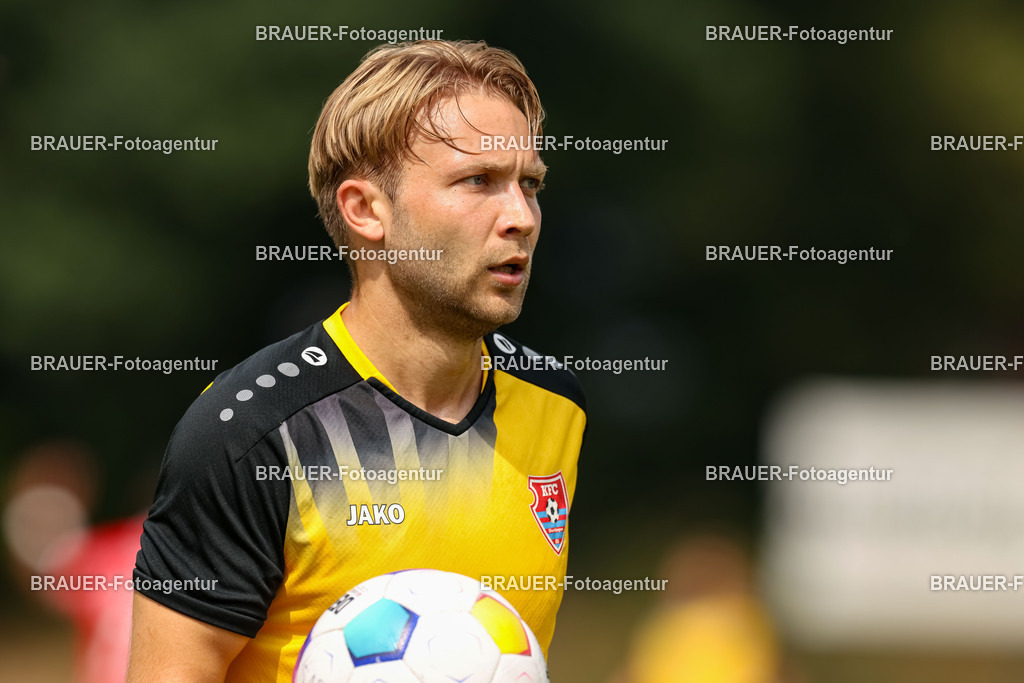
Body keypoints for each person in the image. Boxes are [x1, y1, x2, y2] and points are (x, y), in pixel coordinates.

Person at [128, 39, 586, 681]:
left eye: (529, 184)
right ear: (366, 209)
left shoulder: (557, 402)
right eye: (477, 180)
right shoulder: (249, 433)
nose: (521, 217)